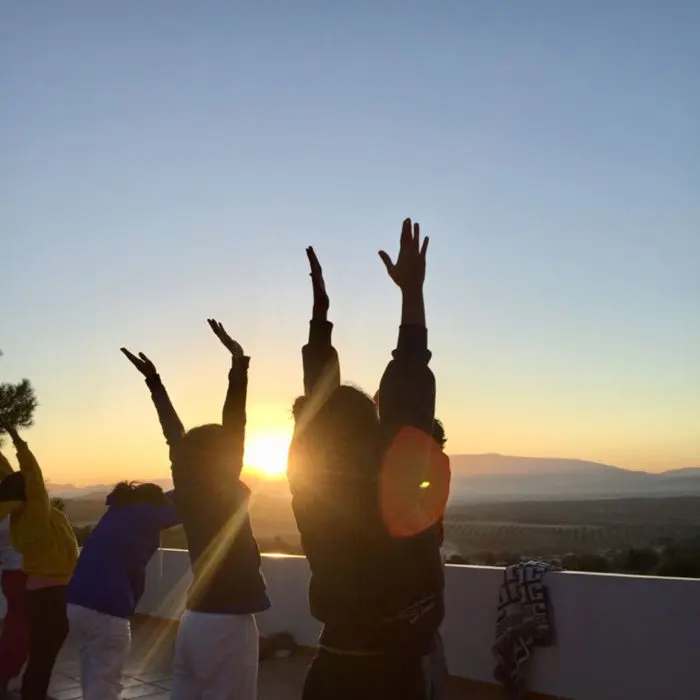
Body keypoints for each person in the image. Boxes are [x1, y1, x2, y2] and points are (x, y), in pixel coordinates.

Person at [288, 219, 451, 700]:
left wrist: (320, 321)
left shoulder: (311, 493)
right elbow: (410, 384)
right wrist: (412, 294)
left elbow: (319, 410)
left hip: (332, 667)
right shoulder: (394, 493)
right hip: (392, 672)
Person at [121, 319, 270, 700]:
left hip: (194, 621)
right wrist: (238, 365)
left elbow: (174, 435)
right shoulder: (220, 493)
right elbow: (233, 425)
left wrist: (154, 382)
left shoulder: (188, 491)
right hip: (227, 623)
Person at [66, 481, 180, 700]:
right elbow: (186, 507)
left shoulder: (120, 511)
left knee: (92, 667)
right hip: (107, 605)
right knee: (106, 676)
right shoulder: (146, 514)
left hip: (77, 602)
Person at [0, 425, 79, 700]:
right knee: (39, 648)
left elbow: (12, 477)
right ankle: (28, 690)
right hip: (43, 589)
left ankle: (25, 687)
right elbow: (33, 477)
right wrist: (20, 444)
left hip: (29, 585)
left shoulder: (15, 514)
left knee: (32, 643)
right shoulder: (34, 515)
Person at [0, 452, 29, 699]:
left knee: (14, 625)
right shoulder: (19, 513)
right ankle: (7, 676)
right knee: (20, 628)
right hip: (24, 575)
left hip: (9, 575)